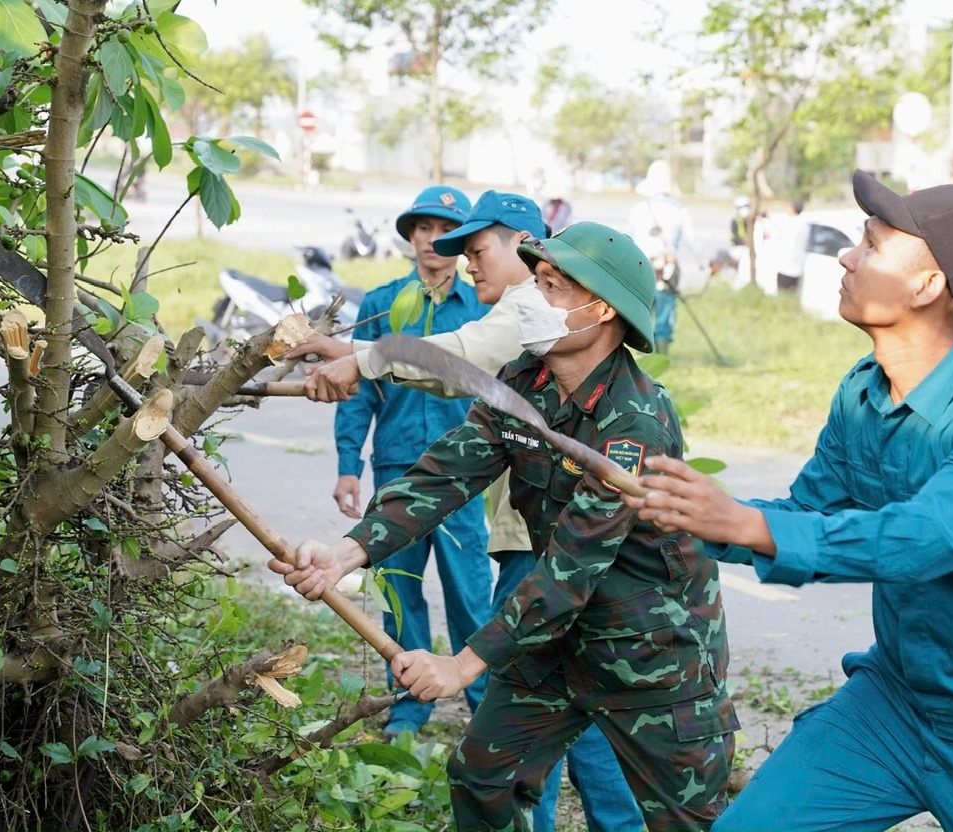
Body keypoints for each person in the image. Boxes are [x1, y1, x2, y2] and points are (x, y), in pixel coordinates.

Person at [626, 171, 953, 831]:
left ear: (927, 285)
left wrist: (745, 523)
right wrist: (693, 512)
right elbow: (811, 514)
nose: (845, 256)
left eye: (871, 244)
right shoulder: (863, 393)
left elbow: (929, 537)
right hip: (894, 704)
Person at [272, 221, 739, 832]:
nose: (533, 299)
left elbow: (571, 568)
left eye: (553, 288)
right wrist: (346, 553)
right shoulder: (526, 380)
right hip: (553, 643)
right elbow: (445, 474)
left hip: (650, 653)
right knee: (482, 777)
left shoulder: (635, 423)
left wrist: (462, 665)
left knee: (687, 821)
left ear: (602, 310)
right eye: (536, 281)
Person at [330, 184, 495, 737]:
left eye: (447, 230)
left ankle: (483, 704)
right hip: (396, 467)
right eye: (424, 228)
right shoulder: (383, 305)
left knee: (469, 590)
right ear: (411, 236)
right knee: (399, 591)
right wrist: (348, 465)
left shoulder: (481, 309)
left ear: (464, 242)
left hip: (464, 475)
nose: (433, 239)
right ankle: (408, 703)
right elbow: (358, 392)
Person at [627, 161, 696, 354]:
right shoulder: (680, 210)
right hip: (667, 269)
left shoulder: (638, 209)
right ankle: (662, 357)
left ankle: (639, 357)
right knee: (665, 313)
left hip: (641, 268)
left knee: (640, 314)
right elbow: (692, 242)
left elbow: (629, 240)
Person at [772, 196, 808, 294]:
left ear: (792, 208)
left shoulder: (788, 223)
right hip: (797, 270)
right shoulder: (804, 225)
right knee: (791, 295)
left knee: (782, 295)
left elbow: (774, 234)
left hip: (785, 268)